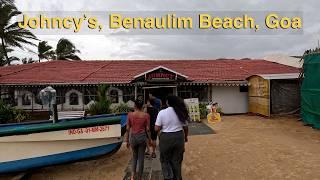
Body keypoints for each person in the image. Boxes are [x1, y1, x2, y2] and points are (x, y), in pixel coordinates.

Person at [155, 95, 189, 180]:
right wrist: (185, 137)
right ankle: (178, 177)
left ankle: (168, 177)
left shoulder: (162, 112)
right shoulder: (180, 111)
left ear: (167, 102)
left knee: (165, 160)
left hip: (166, 138)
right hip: (179, 137)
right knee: (177, 160)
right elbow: (185, 127)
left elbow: (156, 128)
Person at [125, 99, 152, 180]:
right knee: (141, 159)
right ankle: (139, 177)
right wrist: (150, 140)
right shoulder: (146, 115)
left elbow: (127, 129)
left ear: (135, 106)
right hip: (142, 138)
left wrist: (127, 140)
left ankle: (133, 176)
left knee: (134, 157)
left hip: (133, 137)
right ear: (142, 106)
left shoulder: (130, 115)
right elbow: (147, 129)